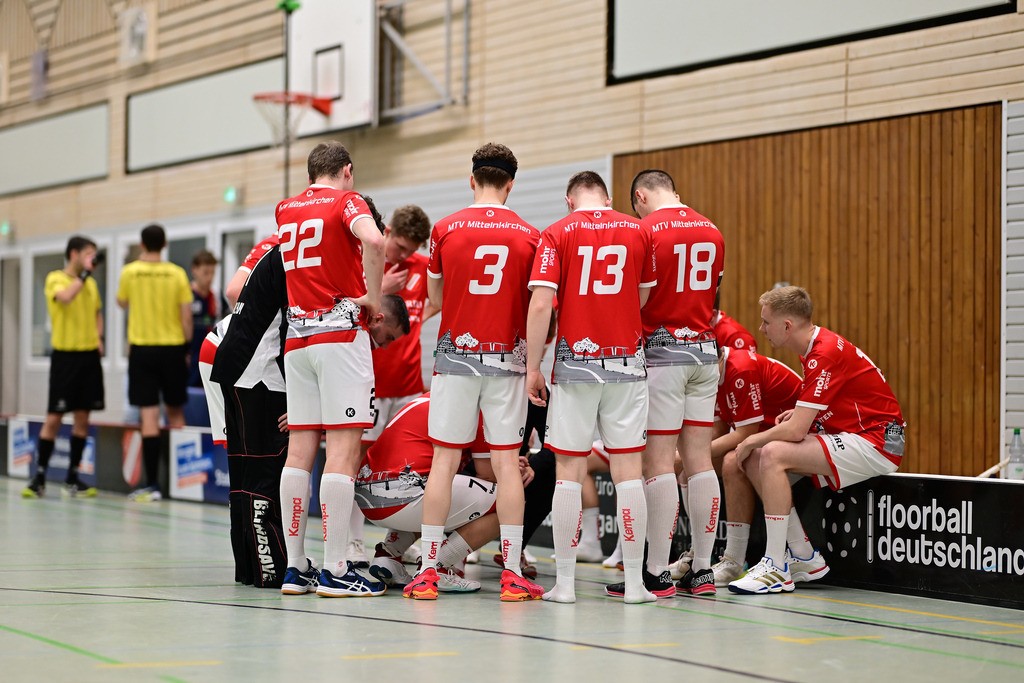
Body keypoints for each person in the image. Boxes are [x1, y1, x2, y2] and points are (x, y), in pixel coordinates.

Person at [404, 142, 544, 602]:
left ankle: (425, 572)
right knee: (506, 466)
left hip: (455, 360)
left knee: (444, 461)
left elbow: (437, 299)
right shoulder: (530, 235)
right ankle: (512, 575)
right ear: (510, 184)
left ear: (472, 180)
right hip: (508, 361)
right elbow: (538, 307)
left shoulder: (444, 230)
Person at [526, 170, 657, 604]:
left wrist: (533, 366)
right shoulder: (639, 231)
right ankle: (636, 584)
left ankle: (564, 585)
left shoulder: (557, 232)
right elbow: (642, 296)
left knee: (568, 473)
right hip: (627, 365)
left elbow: (541, 303)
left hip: (575, 368)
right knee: (629, 473)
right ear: (609, 198)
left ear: (569, 200)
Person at [729, 286, 905, 594]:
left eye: (766, 322)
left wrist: (750, 441)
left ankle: (776, 564)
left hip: (878, 441)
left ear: (787, 326)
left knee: (768, 453)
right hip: (853, 434)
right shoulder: (811, 348)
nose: (761, 329)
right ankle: (803, 556)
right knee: (758, 460)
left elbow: (797, 431)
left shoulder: (824, 352)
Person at [276, 141, 390, 598]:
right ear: (347, 171)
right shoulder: (347, 201)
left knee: (299, 452)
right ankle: (337, 568)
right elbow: (375, 239)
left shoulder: (286, 208)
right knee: (343, 451)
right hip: (339, 337)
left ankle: (295, 566)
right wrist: (374, 298)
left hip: (297, 339)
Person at [623, 169, 725, 598]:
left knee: (659, 462)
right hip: (704, 354)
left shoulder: (644, 231)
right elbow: (715, 299)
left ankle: (656, 572)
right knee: (700, 460)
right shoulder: (713, 230)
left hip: (661, 358)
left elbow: (634, 298)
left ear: (641, 196)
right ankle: (702, 570)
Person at [352, 204, 435, 567]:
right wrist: (380, 287)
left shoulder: (423, 268)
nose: (405, 255)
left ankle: (396, 544)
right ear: (386, 234)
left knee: (409, 466)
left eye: (412, 249)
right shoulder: (367, 261)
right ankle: (352, 541)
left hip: (408, 384)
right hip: (369, 383)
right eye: (400, 247)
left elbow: (434, 304)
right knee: (356, 463)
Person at [709, 345, 801, 586]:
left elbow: (744, 434)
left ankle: (797, 553)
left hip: (803, 437)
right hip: (769, 439)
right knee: (718, 463)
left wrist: (688, 456)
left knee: (732, 460)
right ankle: (730, 560)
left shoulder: (739, 370)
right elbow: (718, 433)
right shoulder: (713, 374)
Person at [22, 236, 104, 499]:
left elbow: (97, 313)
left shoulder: (90, 285)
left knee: (83, 417)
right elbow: (66, 298)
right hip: (65, 358)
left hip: (88, 357)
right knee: (54, 418)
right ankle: (40, 477)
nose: (92, 258)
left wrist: (99, 338)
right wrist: (85, 274)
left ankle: (72, 476)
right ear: (74, 254)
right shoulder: (56, 279)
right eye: (88, 253)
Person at [117, 224, 193, 502]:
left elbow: (121, 303)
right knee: (175, 413)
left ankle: (152, 485)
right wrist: (186, 348)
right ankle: (182, 482)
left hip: (143, 351)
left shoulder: (130, 272)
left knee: (148, 416)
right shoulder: (176, 274)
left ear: (141, 244)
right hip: (173, 349)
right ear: (164, 244)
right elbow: (186, 317)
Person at [188, 249, 220, 387]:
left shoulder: (216, 298)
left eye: (212, 273)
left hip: (210, 358)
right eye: (206, 273)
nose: (210, 278)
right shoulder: (186, 297)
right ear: (194, 270)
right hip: (190, 358)